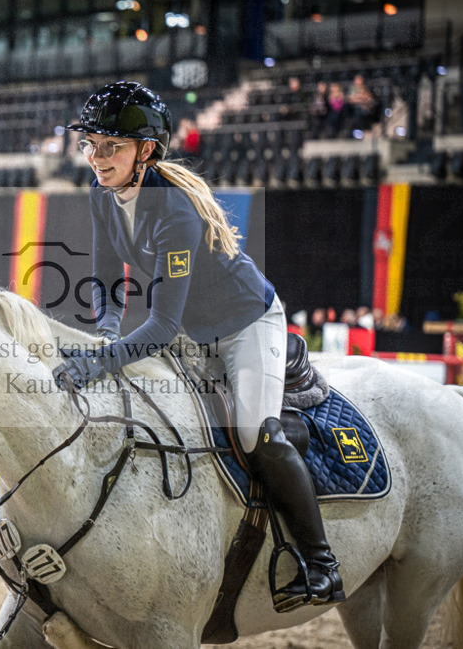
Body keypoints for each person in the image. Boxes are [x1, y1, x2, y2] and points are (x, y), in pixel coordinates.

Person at [53, 81, 345, 612]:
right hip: (193, 330)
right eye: (90, 145)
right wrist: (104, 334)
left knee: (255, 433)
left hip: (246, 325)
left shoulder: (175, 211)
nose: (96, 158)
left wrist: (100, 361)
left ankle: (322, 563)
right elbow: (102, 278)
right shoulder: (103, 193)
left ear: (146, 151)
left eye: (110, 147)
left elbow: (161, 328)